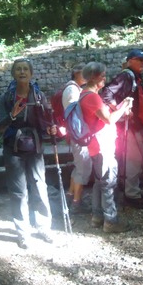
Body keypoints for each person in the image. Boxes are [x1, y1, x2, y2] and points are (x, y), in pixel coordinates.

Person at [0, 58, 57, 249]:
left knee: (39, 186)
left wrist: (52, 129)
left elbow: (46, 121)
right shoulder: (6, 98)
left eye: (25, 69)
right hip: (13, 148)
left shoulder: (39, 96)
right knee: (19, 192)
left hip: (35, 147)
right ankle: (23, 232)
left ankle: (43, 227)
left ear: (31, 73)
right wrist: (12, 114)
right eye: (18, 69)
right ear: (13, 74)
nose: (22, 72)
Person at [78, 62, 134, 232]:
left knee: (99, 182)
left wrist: (119, 107)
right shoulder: (92, 97)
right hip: (102, 146)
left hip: (96, 146)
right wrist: (124, 105)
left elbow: (105, 116)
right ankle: (111, 221)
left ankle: (97, 217)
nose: (105, 78)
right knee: (108, 182)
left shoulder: (84, 95)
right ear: (94, 77)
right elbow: (108, 120)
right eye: (102, 75)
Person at [100, 49, 143, 209]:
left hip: (137, 126)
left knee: (134, 160)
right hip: (131, 127)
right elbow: (106, 94)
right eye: (139, 59)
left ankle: (131, 188)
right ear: (129, 61)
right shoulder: (126, 76)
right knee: (134, 161)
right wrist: (121, 111)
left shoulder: (133, 76)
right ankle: (132, 195)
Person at [62, 62, 93, 214]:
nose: (86, 76)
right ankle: (76, 203)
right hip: (79, 135)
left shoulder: (75, 89)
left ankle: (70, 195)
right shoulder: (72, 90)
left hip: (79, 135)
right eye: (83, 73)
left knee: (79, 166)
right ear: (75, 74)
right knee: (83, 168)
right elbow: (75, 116)